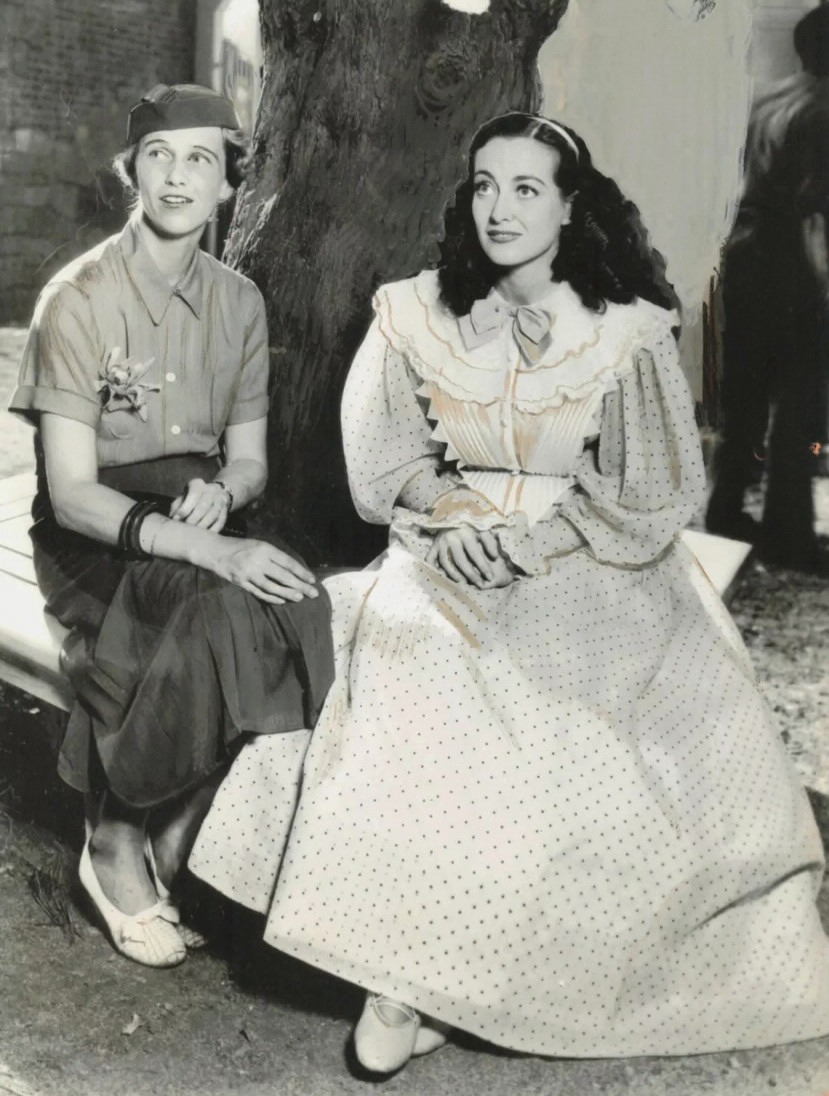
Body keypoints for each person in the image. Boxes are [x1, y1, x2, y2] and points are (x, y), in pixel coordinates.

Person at [189, 112, 829, 1073]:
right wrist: (450, 517)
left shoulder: (626, 330)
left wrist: (533, 546)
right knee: (412, 645)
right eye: (485, 186)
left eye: (526, 189)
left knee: (562, 705)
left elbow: (649, 493)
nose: (499, 208)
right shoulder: (415, 310)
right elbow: (386, 458)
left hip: (589, 558)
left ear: (571, 208)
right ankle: (400, 978)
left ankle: (477, 974)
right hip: (446, 544)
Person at [9, 84, 334, 969]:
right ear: (133, 172)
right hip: (96, 539)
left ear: (230, 182)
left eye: (201, 158)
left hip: (195, 512)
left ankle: (178, 825)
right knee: (213, 605)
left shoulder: (240, 303)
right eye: (159, 155)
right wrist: (202, 541)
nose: (178, 175)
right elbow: (73, 495)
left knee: (301, 603)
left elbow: (251, 460)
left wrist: (224, 494)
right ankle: (114, 835)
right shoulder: (75, 299)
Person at [705, 3, 829, 567]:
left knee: (749, 401)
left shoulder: (773, 99)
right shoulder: (824, 112)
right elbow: (814, 211)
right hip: (793, 269)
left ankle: (725, 513)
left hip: (743, 259)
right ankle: (789, 533)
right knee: (801, 403)